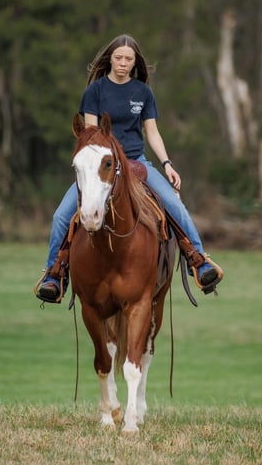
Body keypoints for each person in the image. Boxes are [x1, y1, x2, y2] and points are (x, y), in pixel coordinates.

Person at [36, 34, 223, 303]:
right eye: (118, 58)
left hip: (137, 163)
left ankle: (200, 261)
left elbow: (153, 133)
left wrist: (167, 164)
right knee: (60, 217)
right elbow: (91, 134)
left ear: (135, 63)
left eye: (128, 59)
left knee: (174, 206)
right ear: (110, 59)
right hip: (103, 166)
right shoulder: (95, 91)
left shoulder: (143, 93)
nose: (123, 63)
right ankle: (54, 275)